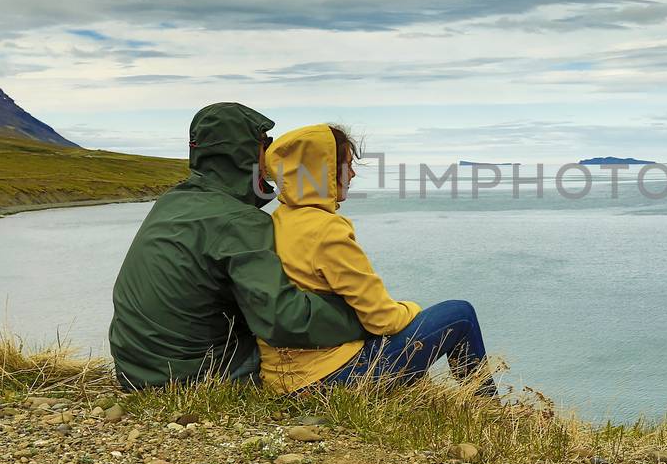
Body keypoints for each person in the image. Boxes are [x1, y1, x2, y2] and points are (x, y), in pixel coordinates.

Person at [108, 103, 368, 390]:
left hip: (135, 369)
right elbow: (284, 320)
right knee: (329, 350)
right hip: (192, 376)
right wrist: (363, 313)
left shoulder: (173, 201)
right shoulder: (240, 221)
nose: (270, 155)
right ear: (241, 151)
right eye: (265, 143)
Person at [258, 123, 497, 396]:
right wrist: (412, 308)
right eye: (347, 165)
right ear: (323, 170)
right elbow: (382, 320)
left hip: (283, 379)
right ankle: (490, 411)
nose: (353, 173)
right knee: (459, 314)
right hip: (330, 379)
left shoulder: (278, 220)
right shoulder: (326, 229)